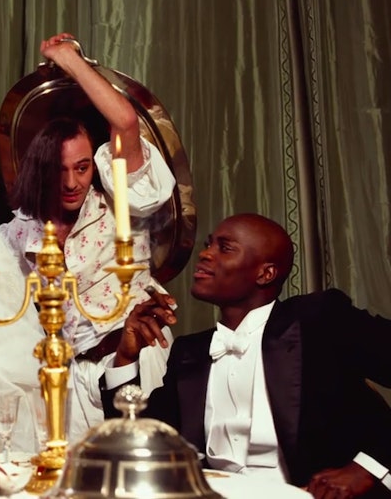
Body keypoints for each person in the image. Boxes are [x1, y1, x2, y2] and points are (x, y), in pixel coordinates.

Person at [102, 213, 391, 498]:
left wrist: (367, 469)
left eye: (225, 248)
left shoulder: (319, 321)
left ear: (265, 274)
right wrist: (126, 356)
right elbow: (136, 444)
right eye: (208, 244)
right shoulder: (191, 352)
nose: (204, 254)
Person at [0, 33, 177, 443]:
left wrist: (69, 60)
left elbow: (125, 121)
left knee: (136, 464)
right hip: (66, 375)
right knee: (69, 470)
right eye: (59, 170)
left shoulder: (119, 200)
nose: (72, 182)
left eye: (81, 167)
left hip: (134, 355)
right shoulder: (19, 232)